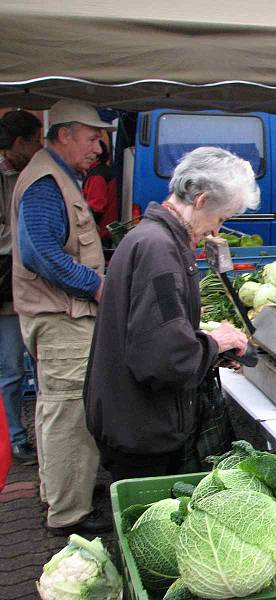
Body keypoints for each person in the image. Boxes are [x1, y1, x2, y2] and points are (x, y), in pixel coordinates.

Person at [84, 147, 256, 483]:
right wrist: (213, 342)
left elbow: (151, 333)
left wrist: (209, 351)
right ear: (201, 200)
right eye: (221, 219)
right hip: (141, 428)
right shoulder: (160, 250)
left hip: (129, 417)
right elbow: (164, 359)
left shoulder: (152, 239)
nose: (217, 232)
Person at [9, 99, 114, 535]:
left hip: (61, 314)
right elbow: (41, 254)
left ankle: (63, 492)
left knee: (60, 408)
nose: (98, 149)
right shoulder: (46, 181)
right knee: (67, 412)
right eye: (92, 138)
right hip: (60, 317)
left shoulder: (58, 176)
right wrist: (97, 286)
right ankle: (69, 514)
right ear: (65, 134)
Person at [0, 109, 42, 466]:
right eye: (35, 140)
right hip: (6, 293)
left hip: (34, 288)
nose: (39, 146)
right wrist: (31, 237)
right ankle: (16, 438)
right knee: (11, 368)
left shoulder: (35, 174)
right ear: (19, 143)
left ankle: (42, 436)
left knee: (41, 366)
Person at [81, 139, 118, 247]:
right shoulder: (102, 172)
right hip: (108, 229)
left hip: (102, 232)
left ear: (96, 155)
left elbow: (96, 207)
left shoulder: (97, 176)